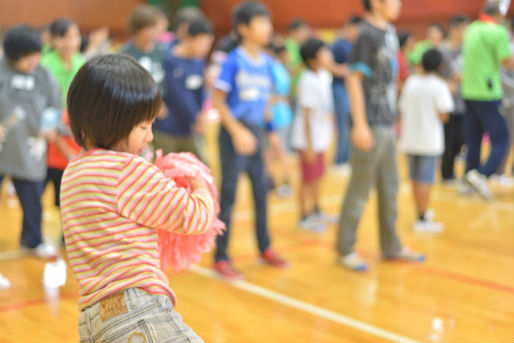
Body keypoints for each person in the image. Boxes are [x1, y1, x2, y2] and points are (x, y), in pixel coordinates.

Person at [62, 54, 215, 343]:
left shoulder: (73, 171)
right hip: (137, 310)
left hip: (92, 320)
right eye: (143, 126)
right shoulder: (128, 169)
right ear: (112, 123)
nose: (149, 137)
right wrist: (198, 180)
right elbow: (196, 218)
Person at [336, 0, 425, 272]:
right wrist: (360, 124)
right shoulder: (366, 34)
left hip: (386, 123)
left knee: (391, 187)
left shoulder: (389, 33)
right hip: (371, 124)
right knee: (360, 189)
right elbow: (353, 79)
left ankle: (392, 246)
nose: (399, 4)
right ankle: (345, 248)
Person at [212, 1, 289, 280]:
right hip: (235, 133)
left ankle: (265, 247)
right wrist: (237, 131)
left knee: (261, 191)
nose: (267, 28)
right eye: (261, 23)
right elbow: (217, 100)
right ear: (243, 28)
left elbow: (265, 102)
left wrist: (272, 133)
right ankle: (221, 256)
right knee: (229, 196)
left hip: (256, 132)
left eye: (268, 23)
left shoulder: (267, 63)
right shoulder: (233, 60)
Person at [0, 25, 62, 258]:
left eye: (35, 55)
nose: (32, 61)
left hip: (29, 148)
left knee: (33, 197)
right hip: (2, 145)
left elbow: (54, 105)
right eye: (26, 58)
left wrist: (49, 127)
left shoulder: (43, 75)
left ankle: (32, 240)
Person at [461, 0, 514, 200]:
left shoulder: (471, 29)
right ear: (499, 15)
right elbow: (507, 63)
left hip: (469, 91)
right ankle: (482, 175)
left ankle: (468, 177)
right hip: (488, 93)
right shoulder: (498, 31)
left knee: (473, 139)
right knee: (501, 139)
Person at [399, 49, 454, 232]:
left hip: (409, 138)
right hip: (429, 140)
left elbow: (402, 107)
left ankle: (420, 212)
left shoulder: (411, 83)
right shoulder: (439, 86)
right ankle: (422, 219)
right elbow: (444, 115)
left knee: (415, 178)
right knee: (425, 180)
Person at [153, 18, 214, 161]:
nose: (205, 48)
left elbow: (200, 92)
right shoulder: (168, 60)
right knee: (168, 170)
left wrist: (201, 115)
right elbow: (178, 96)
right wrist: (196, 117)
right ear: (189, 38)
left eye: (209, 44)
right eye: (202, 42)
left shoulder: (199, 62)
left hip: (188, 128)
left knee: (201, 167)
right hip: (166, 128)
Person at [291, 38, 335, 232]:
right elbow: (307, 116)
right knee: (307, 178)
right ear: (313, 59)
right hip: (308, 139)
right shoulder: (308, 80)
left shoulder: (324, 76)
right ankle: (304, 215)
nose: (329, 55)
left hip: (320, 137)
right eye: (324, 52)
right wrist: (308, 145)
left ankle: (316, 209)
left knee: (318, 175)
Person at [41, 17, 84, 212]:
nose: (70, 43)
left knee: (69, 186)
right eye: (64, 38)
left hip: (73, 129)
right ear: (53, 40)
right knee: (43, 182)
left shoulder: (81, 62)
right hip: (47, 130)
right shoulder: (44, 65)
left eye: (74, 37)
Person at [439, 14, 469, 183]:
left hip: (465, 101)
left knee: (462, 138)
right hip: (447, 103)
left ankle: (455, 172)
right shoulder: (442, 50)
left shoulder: (467, 49)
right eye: (463, 29)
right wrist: (447, 82)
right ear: (454, 29)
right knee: (449, 139)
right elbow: (433, 75)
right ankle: (446, 174)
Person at [330, 15, 363, 171]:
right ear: (350, 27)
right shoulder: (338, 45)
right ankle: (339, 160)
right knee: (343, 124)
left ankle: (347, 158)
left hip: (350, 88)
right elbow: (328, 65)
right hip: (340, 88)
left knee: (350, 123)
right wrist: (344, 71)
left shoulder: (353, 45)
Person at [266, 41, 294, 197]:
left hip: (276, 114)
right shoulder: (280, 69)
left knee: (276, 151)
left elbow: (272, 94)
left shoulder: (273, 68)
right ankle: (276, 181)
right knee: (277, 151)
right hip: (283, 113)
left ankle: (282, 182)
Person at [121, 5, 167, 90]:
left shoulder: (161, 50)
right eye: (146, 28)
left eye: (153, 27)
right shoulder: (126, 53)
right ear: (136, 29)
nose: (151, 32)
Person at [285, 18, 311, 102]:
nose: (305, 34)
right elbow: (288, 70)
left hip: (301, 88)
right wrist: (306, 62)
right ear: (293, 32)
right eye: (302, 31)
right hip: (293, 89)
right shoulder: (288, 46)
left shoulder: (300, 46)